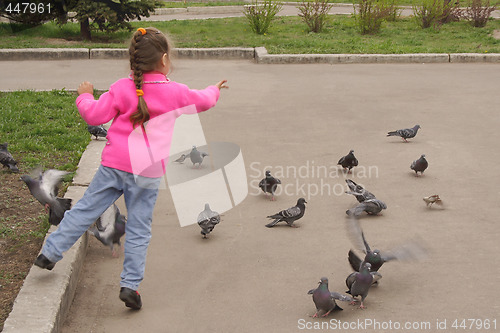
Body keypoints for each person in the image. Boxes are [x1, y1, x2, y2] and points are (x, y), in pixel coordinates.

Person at [34, 27, 228, 310]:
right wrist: (215, 89)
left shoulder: (120, 88)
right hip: (147, 173)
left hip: (113, 166)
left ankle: (49, 254)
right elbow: (204, 100)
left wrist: (84, 96)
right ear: (164, 60)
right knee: (139, 230)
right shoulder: (175, 92)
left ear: (132, 61)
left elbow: (94, 114)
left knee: (84, 210)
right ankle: (130, 286)